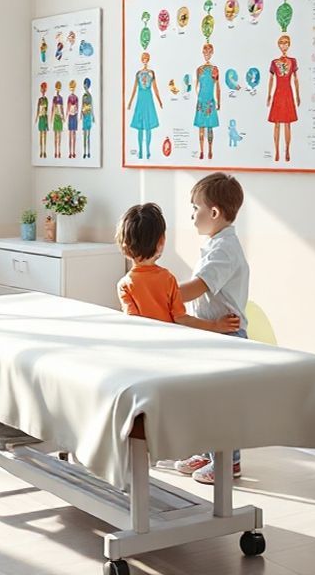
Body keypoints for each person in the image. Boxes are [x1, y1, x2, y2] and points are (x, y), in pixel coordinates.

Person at [165, 172, 250, 485]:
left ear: (214, 212)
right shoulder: (216, 244)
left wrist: (162, 292)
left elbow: (199, 287)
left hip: (226, 336)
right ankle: (207, 451)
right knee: (203, 397)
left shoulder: (224, 250)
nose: (191, 214)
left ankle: (230, 462)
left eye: (195, 208)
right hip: (209, 333)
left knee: (221, 403)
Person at [266, 34, 301, 162]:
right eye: (281, 43)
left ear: (289, 45)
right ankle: (276, 151)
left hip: (288, 93)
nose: (284, 46)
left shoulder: (293, 61)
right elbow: (271, 79)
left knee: (287, 123)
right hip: (278, 92)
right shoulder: (274, 63)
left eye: (286, 43)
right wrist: (269, 94)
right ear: (278, 45)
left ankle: (287, 150)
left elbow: (296, 79)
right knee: (276, 124)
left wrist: (298, 94)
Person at [126, 51, 162, 159]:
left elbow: (155, 88)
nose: (145, 60)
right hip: (140, 99)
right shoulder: (138, 74)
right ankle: (141, 151)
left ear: (148, 59)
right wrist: (130, 102)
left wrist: (159, 100)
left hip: (148, 99)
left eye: (146, 58)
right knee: (140, 127)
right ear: (142, 60)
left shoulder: (151, 73)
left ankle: (148, 150)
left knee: (148, 126)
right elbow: (134, 89)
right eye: (143, 58)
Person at [193, 43, 220, 159]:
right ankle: (201, 151)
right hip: (201, 100)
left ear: (212, 53)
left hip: (210, 100)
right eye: (205, 52)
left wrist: (219, 101)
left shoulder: (215, 69)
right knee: (201, 128)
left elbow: (218, 87)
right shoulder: (199, 69)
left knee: (210, 127)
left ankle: (210, 150)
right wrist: (198, 98)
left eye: (209, 52)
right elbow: (196, 85)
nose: (207, 55)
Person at [80, 78, 95, 159]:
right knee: (84, 135)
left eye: (86, 84)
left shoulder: (89, 96)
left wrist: (93, 116)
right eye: (84, 84)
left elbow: (91, 106)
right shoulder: (83, 96)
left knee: (88, 135)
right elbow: (82, 106)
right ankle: (84, 152)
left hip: (88, 115)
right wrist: (80, 115)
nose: (85, 86)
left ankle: (89, 152)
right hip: (84, 115)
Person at [66, 80, 80, 159]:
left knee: (74, 135)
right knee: (70, 134)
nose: (72, 89)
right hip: (70, 117)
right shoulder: (69, 97)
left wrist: (76, 113)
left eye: (73, 87)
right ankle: (70, 152)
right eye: (71, 88)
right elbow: (67, 108)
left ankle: (73, 152)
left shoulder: (76, 98)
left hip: (74, 116)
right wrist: (66, 115)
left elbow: (77, 107)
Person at [35, 82, 49, 158]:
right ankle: (41, 151)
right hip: (40, 118)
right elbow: (37, 109)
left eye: (44, 89)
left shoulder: (46, 99)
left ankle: (44, 151)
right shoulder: (39, 99)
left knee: (45, 135)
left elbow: (47, 110)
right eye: (42, 89)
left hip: (44, 118)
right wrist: (36, 117)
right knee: (41, 135)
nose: (43, 90)